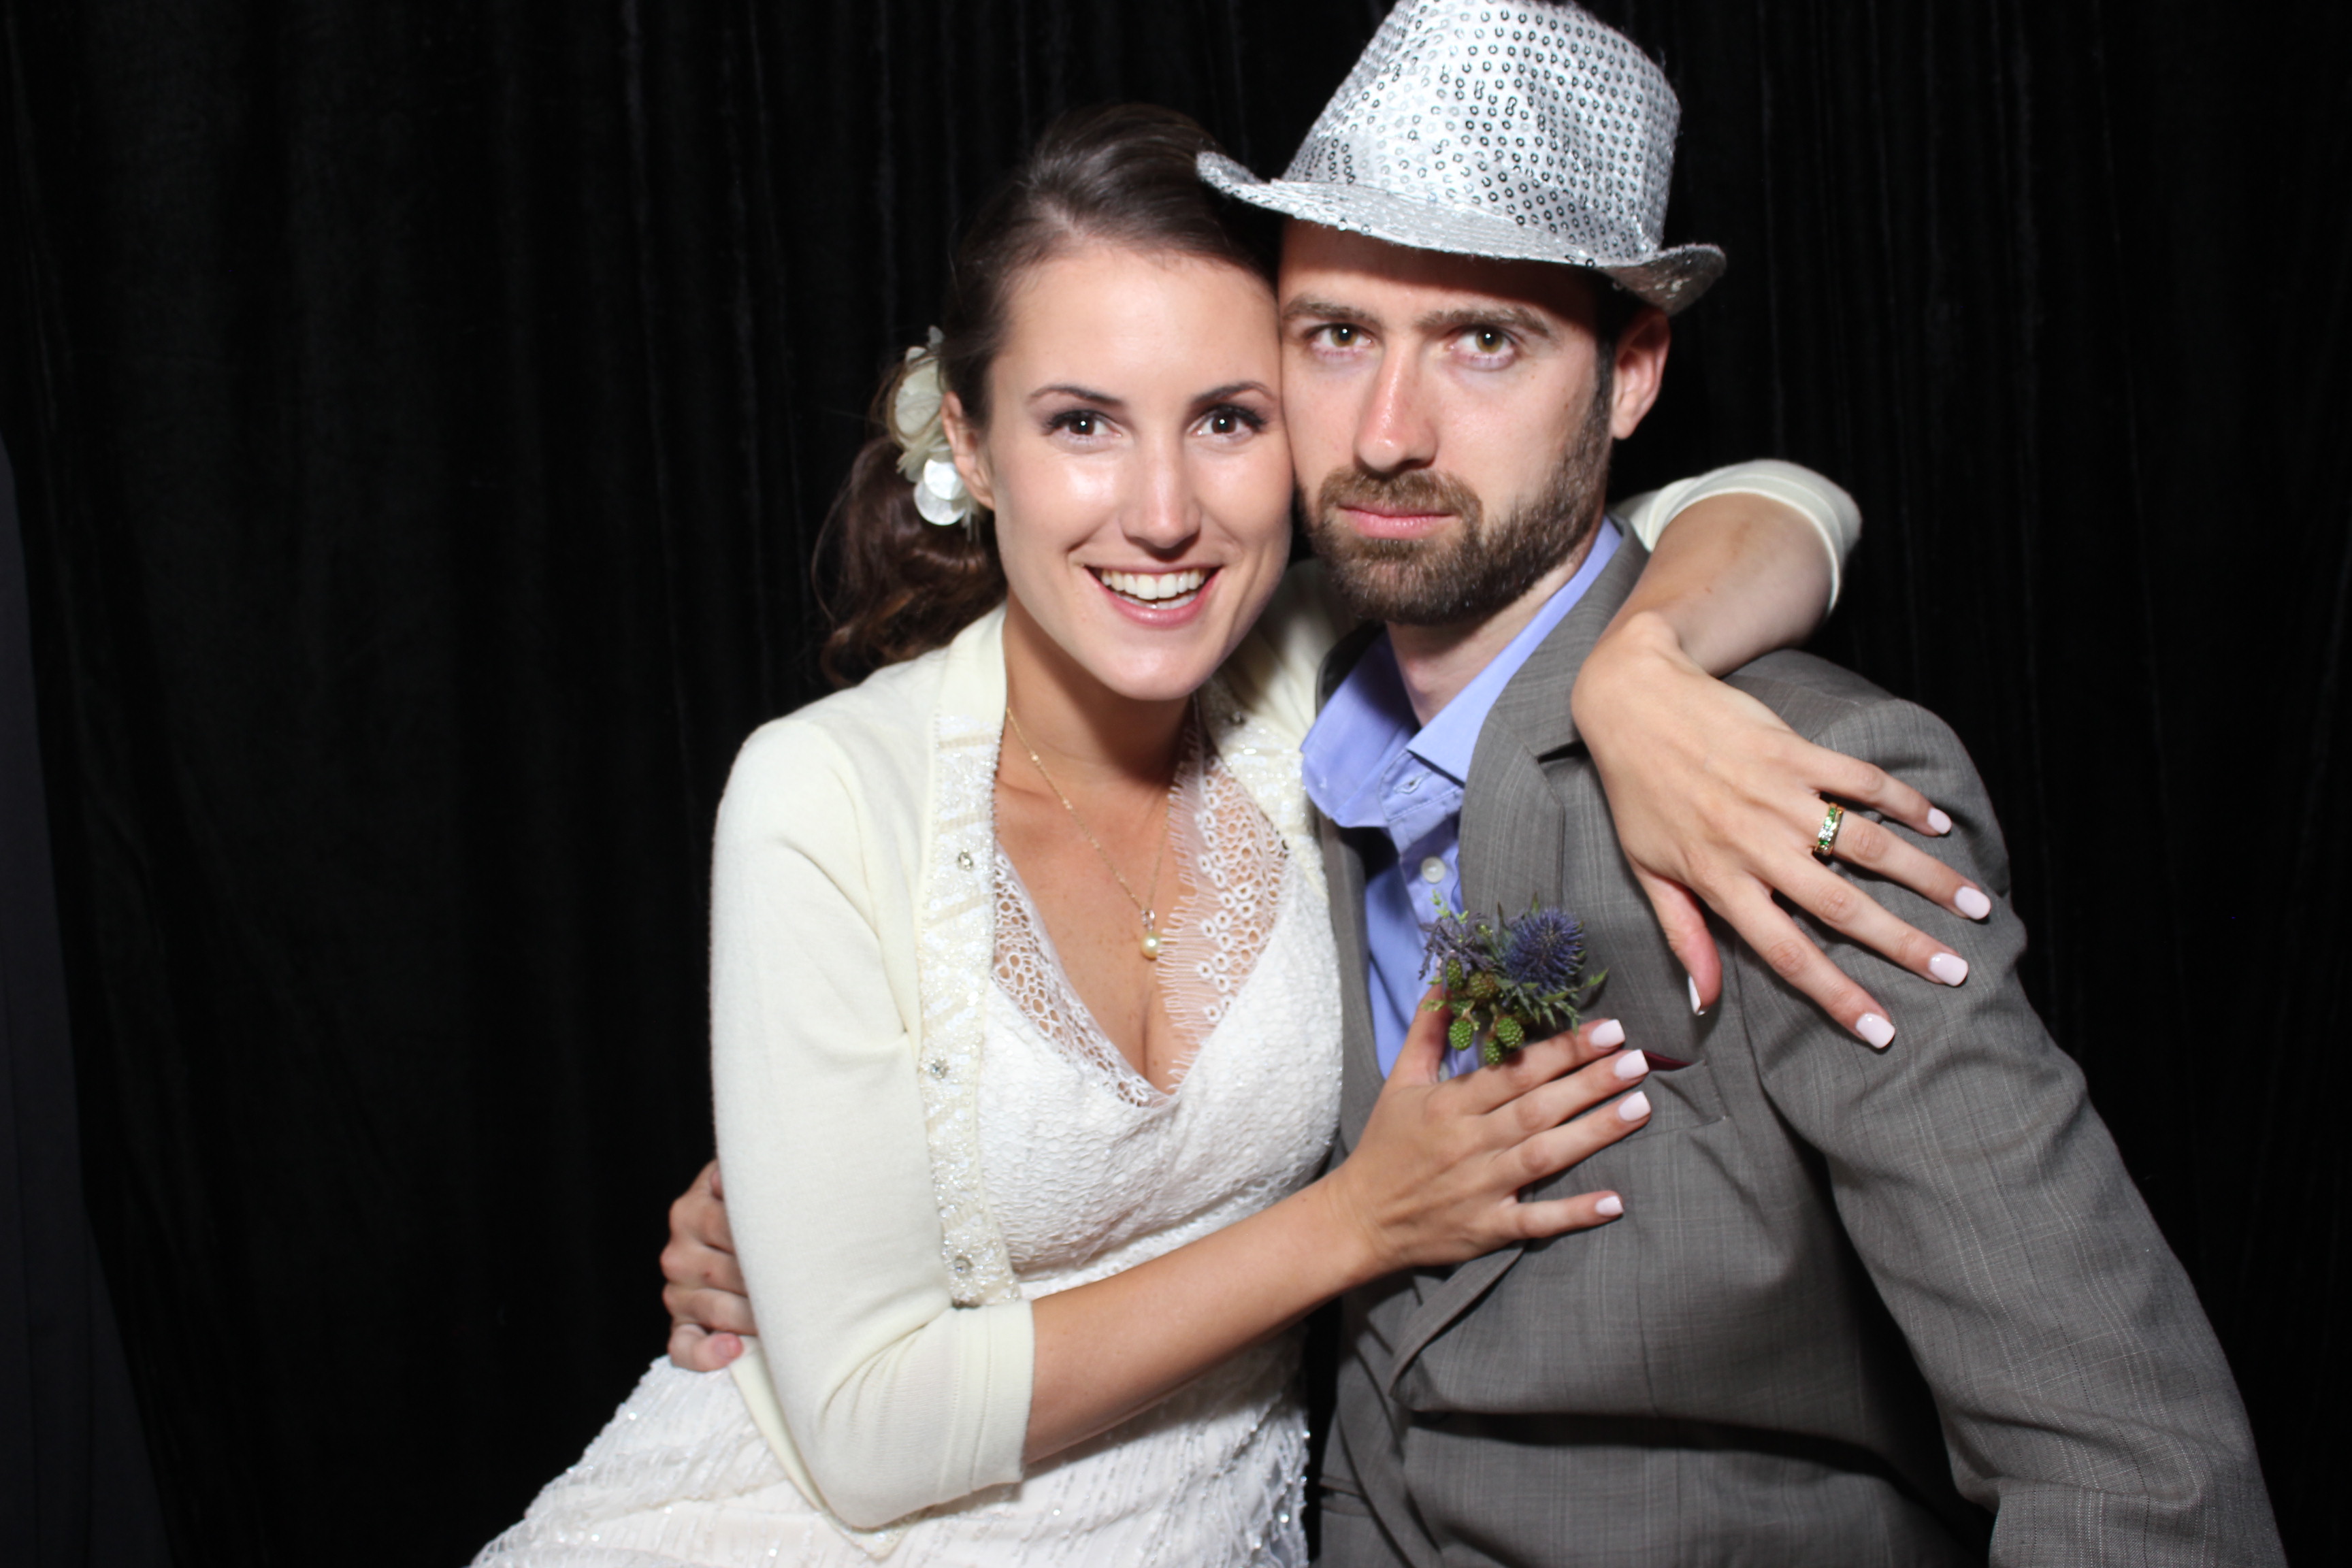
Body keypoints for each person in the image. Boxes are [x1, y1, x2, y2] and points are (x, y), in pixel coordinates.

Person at [488, 98, 1949, 1566]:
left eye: (1228, 421)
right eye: (1081, 424)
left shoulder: (1316, 667)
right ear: (972, 445)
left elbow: (1768, 501)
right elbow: (867, 1438)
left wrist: (1645, 665)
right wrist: (1361, 1222)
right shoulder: (820, 791)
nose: (1164, 513)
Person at [1204, 2, 2280, 1563]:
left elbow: (2135, 1467)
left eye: (1485, 340)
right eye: (1336, 335)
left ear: (1631, 373)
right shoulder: (1270, 719)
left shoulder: (1787, 784)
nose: (1387, 432)